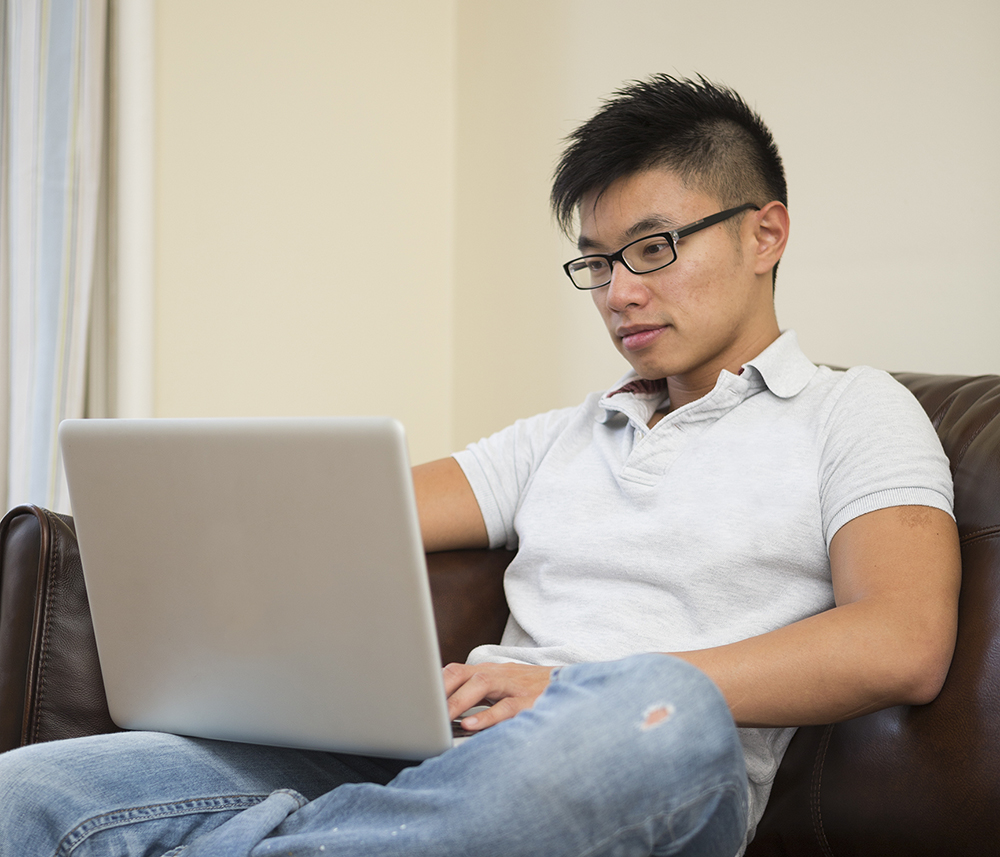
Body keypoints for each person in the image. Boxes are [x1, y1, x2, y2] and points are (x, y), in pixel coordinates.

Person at [0, 74, 960, 857]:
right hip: (448, 766)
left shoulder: (854, 411)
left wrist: (576, 689)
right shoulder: (559, 436)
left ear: (766, 233)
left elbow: (901, 639)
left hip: (633, 766)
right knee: (30, 789)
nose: (620, 292)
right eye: (596, 262)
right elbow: (345, 515)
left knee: (666, 717)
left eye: (654, 248)